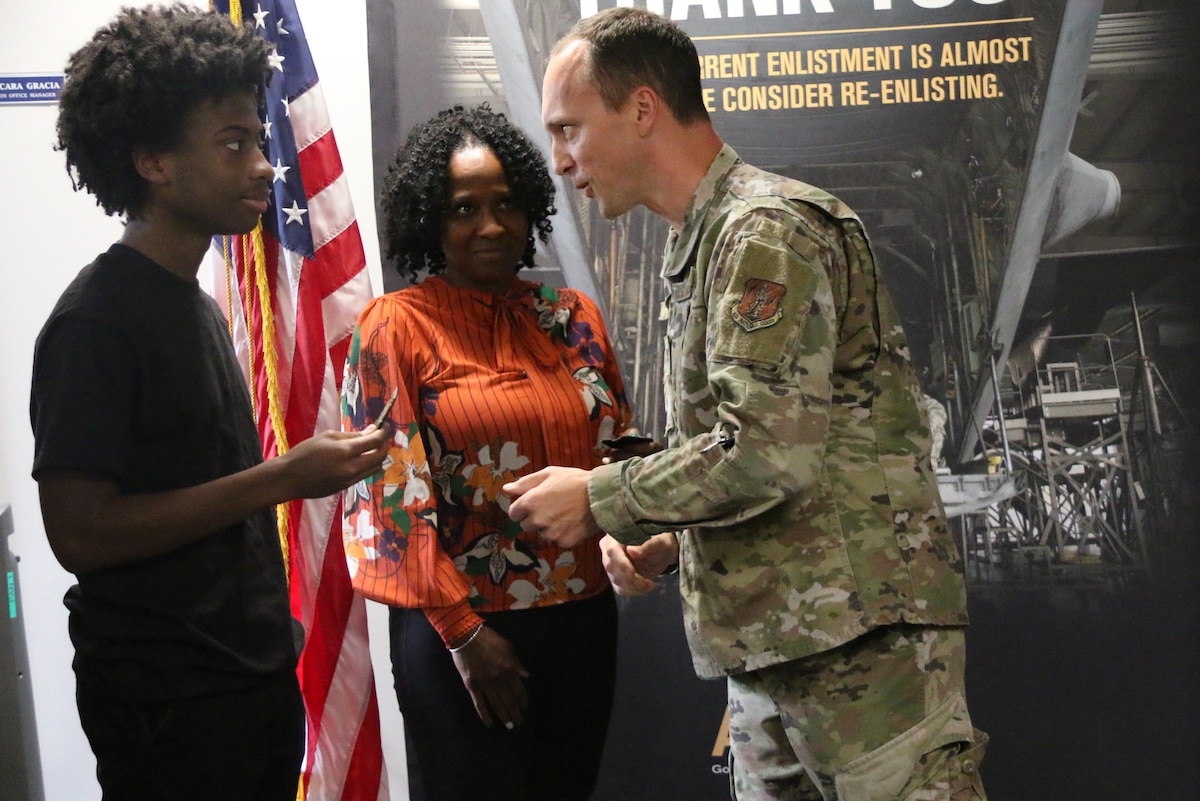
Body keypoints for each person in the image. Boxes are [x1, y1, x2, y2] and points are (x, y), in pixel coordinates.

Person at [505, 8, 988, 800]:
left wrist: (602, 498)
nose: (560, 160)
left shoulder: (764, 232)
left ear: (641, 110)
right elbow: (754, 445)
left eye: (569, 129)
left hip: (857, 644)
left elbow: (765, 449)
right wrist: (668, 535)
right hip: (777, 644)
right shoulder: (702, 242)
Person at [30, 6, 390, 800]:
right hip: (169, 703)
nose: (264, 165)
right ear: (153, 159)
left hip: (244, 677)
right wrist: (282, 477)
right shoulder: (94, 321)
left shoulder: (187, 299)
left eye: (259, 141)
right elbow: (80, 531)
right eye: (234, 144)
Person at [340, 104, 645, 801]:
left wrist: (647, 514)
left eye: (507, 203)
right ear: (430, 218)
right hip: (462, 630)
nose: (491, 225)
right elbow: (390, 501)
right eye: (464, 208)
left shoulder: (572, 318)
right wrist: (464, 634)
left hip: (582, 623)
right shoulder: (395, 326)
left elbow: (613, 450)